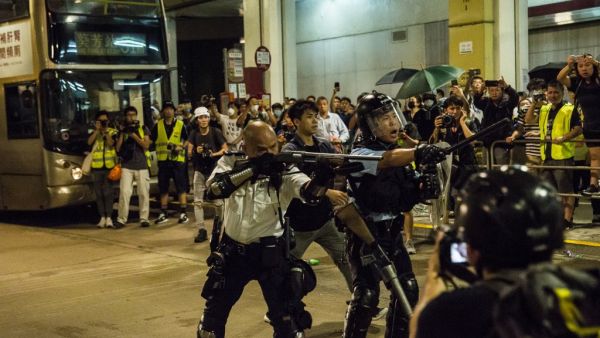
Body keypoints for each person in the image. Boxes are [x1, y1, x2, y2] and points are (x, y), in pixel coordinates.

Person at [197, 121, 332, 337]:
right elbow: (213, 190)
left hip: (271, 256)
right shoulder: (231, 161)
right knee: (210, 327)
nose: (269, 154)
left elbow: (310, 194)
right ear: (245, 147)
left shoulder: (285, 169)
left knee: (288, 324)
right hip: (233, 254)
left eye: (272, 147)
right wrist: (254, 168)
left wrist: (323, 179)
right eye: (261, 149)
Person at [410, 166, 565, 338]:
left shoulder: (456, 310)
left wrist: (435, 272)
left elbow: (419, 330)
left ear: (473, 249)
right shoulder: (585, 297)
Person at [343, 91, 446, 337]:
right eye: (383, 119)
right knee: (367, 295)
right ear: (368, 126)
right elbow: (386, 160)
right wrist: (419, 151)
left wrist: (426, 181)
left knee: (407, 290)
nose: (393, 123)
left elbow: (410, 190)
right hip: (365, 237)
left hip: (392, 233)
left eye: (394, 116)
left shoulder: (400, 153)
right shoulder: (359, 155)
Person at [281, 99, 353, 291]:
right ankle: (281, 312)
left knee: (347, 259)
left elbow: (337, 172)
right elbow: (299, 182)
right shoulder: (290, 151)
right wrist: (328, 193)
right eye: (309, 117)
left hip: (325, 221)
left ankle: (361, 303)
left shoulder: (324, 146)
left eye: (316, 117)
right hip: (299, 225)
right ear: (296, 122)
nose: (315, 121)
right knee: (286, 270)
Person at [537, 81, 582, 229]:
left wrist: (564, 138)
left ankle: (567, 219)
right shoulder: (544, 109)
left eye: (556, 92)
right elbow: (528, 120)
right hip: (547, 156)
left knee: (566, 190)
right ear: (546, 94)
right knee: (548, 191)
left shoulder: (570, 109)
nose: (553, 95)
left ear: (562, 93)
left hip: (563, 156)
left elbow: (578, 129)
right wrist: (532, 104)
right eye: (550, 92)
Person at [557, 54, 600, 197]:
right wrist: (569, 65)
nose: (584, 69)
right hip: (590, 126)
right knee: (594, 157)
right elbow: (560, 78)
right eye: (581, 66)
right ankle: (593, 184)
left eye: (588, 65)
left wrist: (595, 62)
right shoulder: (577, 83)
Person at [430, 95, 478, 211]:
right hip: (449, 165)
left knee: (460, 194)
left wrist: (462, 122)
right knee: (449, 196)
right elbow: (433, 143)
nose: (455, 111)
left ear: (462, 109)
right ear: (445, 110)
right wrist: (436, 128)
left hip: (466, 164)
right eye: (452, 108)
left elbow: (474, 141)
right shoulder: (443, 123)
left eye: (457, 108)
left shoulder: (469, 122)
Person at [187, 107, 228, 243]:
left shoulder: (215, 132)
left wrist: (213, 154)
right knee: (197, 202)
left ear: (209, 118)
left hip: (214, 170)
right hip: (199, 170)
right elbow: (189, 151)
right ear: (197, 120)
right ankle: (201, 230)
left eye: (205, 117)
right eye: (200, 117)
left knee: (218, 203)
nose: (203, 120)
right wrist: (196, 151)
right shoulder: (194, 133)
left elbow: (225, 148)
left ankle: (219, 228)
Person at [151, 101, 189, 225]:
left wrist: (182, 147)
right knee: (163, 187)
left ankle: (183, 212)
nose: (168, 111)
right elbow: (151, 140)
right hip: (163, 161)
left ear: (174, 111)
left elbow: (188, 139)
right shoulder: (157, 125)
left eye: (170, 109)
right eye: (166, 109)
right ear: (163, 111)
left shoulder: (180, 124)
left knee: (181, 186)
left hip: (178, 161)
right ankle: (163, 212)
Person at [115, 106, 152, 228]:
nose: (131, 117)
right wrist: (122, 132)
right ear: (125, 116)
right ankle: (121, 219)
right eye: (129, 115)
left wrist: (134, 136)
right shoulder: (123, 130)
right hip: (127, 165)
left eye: (133, 115)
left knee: (143, 193)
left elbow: (146, 145)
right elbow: (118, 148)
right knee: (124, 192)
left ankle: (144, 218)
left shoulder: (142, 128)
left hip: (142, 165)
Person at [473, 77, 519, 166]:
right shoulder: (486, 102)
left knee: (501, 168)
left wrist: (506, 86)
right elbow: (477, 102)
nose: (494, 93)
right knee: (487, 168)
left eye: (497, 90)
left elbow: (515, 98)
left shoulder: (507, 103)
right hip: (487, 142)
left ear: (502, 91)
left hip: (501, 143)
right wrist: (481, 90)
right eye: (491, 91)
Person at [87, 110, 118, 228]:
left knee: (108, 193)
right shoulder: (94, 132)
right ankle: (102, 217)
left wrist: (105, 133)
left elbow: (111, 144)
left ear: (108, 121)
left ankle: (109, 217)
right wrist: (97, 130)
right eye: (101, 121)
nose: (103, 123)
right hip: (97, 167)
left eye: (105, 121)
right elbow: (89, 142)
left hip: (109, 167)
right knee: (98, 194)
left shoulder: (112, 131)